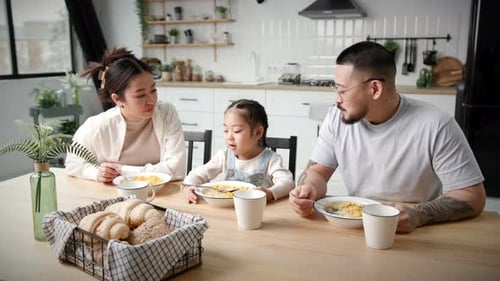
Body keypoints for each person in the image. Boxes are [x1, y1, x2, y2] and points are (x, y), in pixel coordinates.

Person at [289, 41, 486, 233]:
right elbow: (316, 172)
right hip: (357, 230)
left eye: (342, 91)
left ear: (375, 88)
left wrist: (419, 214)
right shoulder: (336, 118)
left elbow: (472, 197)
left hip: (417, 233)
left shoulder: (436, 124)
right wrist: (308, 190)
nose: (337, 99)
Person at [65, 48, 186, 183]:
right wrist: (96, 173)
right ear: (117, 99)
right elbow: (72, 163)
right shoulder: (98, 126)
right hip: (114, 198)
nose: (151, 100)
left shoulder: (166, 113)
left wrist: (123, 170)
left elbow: (177, 170)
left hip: (159, 196)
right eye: (140, 95)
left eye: (153, 90)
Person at [183, 99, 294, 203]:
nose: (229, 136)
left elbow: (287, 183)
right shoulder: (225, 156)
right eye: (226, 130)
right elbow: (197, 174)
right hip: (228, 211)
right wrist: (188, 187)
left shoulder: (271, 159)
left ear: (258, 133)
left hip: (257, 213)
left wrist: (269, 193)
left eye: (237, 131)